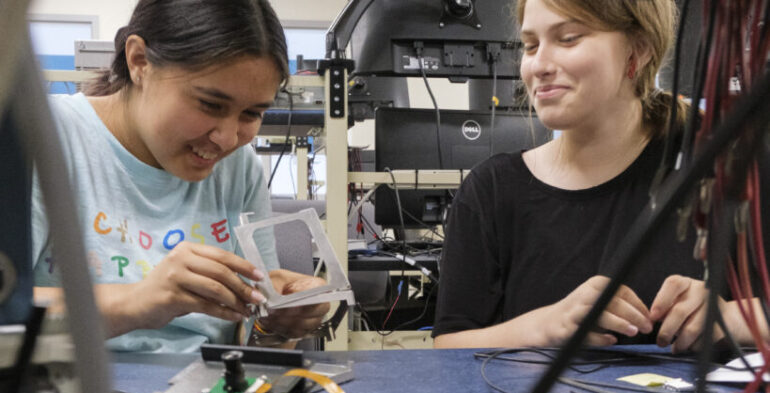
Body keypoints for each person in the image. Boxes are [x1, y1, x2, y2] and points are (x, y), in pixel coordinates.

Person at [433, 0, 768, 352]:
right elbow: (449, 344)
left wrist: (731, 317)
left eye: (569, 38)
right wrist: (545, 327)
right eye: (531, 46)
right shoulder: (491, 192)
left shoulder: (723, 163)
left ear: (637, 51)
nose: (540, 66)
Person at [32, 0, 329, 353]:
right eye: (209, 104)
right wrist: (136, 302)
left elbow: (250, 348)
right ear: (139, 61)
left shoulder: (239, 168)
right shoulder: (41, 138)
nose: (227, 139)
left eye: (251, 113)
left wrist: (274, 325)